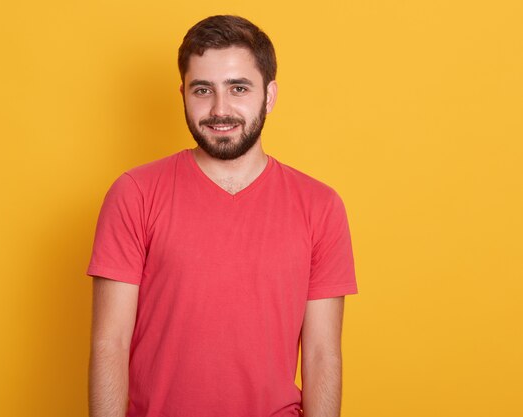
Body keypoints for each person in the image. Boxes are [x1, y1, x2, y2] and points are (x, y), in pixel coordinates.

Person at [87, 15, 358, 417]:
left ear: (269, 95)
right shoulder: (135, 194)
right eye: (203, 90)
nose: (220, 108)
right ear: (183, 94)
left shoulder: (320, 206)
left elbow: (322, 355)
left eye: (238, 88)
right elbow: (110, 344)